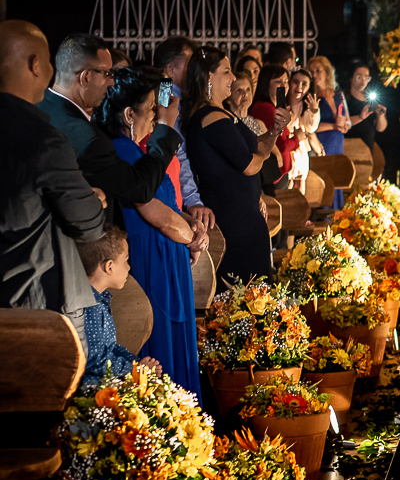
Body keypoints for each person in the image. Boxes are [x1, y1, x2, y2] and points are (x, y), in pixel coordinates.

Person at [94, 66, 204, 397]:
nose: (158, 115)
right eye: (152, 108)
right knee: (162, 353)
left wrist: (192, 224)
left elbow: (171, 210)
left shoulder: (140, 150)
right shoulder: (123, 151)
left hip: (167, 259)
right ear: (129, 114)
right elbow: (159, 217)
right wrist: (194, 237)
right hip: (151, 265)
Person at [0, 20, 106, 344]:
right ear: (35, 65)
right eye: (47, 61)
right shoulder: (42, 140)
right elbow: (89, 224)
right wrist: (91, 198)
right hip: (39, 307)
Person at [38, 33, 181, 230]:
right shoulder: (88, 138)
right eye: (107, 73)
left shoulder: (39, 104)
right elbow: (140, 189)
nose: (112, 82)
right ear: (86, 76)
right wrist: (165, 126)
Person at [183, 47, 288, 290]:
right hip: (233, 216)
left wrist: (274, 130)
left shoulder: (223, 113)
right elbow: (249, 164)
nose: (233, 78)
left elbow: (258, 146)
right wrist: (261, 154)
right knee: (244, 291)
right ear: (209, 77)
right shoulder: (210, 117)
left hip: (244, 211)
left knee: (254, 291)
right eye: (227, 72)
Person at [76, 225, 162, 386]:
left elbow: (111, 348)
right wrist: (136, 370)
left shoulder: (99, 300)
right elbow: (97, 362)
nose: (129, 267)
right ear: (109, 266)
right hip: (94, 389)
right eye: (126, 260)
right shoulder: (89, 307)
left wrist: (138, 364)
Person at [152, 36, 214, 231]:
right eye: (189, 64)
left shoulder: (181, 95)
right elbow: (177, 150)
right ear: (169, 70)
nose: (196, 71)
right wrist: (192, 199)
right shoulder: (165, 96)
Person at [250, 64, 297, 188]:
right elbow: (282, 144)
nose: (284, 85)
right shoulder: (265, 108)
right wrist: (297, 139)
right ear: (266, 83)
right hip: (273, 174)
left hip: (280, 174)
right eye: (278, 81)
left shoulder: (276, 107)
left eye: (286, 81)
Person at [307, 55, 349, 157]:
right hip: (319, 146)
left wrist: (345, 125)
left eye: (318, 71)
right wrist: (334, 126)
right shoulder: (311, 97)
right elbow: (308, 126)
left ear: (327, 71)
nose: (314, 75)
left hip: (337, 144)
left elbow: (347, 121)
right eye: (312, 72)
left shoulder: (338, 94)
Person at [346, 64, 388, 150]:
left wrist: (381, 116)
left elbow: (380, 129)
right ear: (351, 77)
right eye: (359, 77)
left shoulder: (371, 100)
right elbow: (341, 122)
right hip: (348, 146)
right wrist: (360, 118)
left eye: (366, 77)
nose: (363, 81)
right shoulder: (344, 99)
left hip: (367, 148)